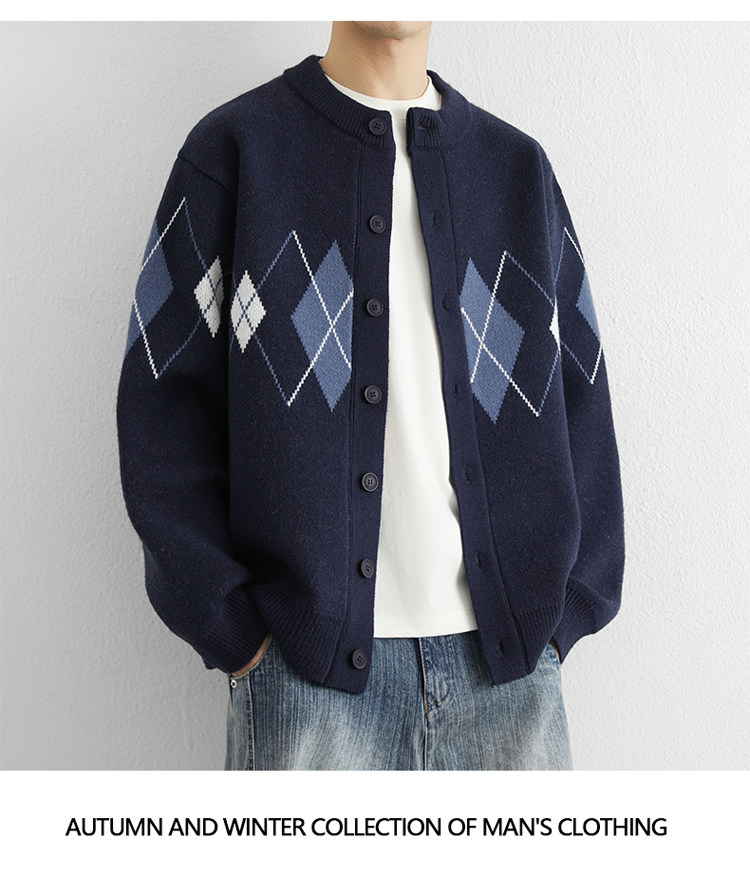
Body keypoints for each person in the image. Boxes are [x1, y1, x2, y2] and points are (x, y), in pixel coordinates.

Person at [116, 21, 625, 770]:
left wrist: (568, 609)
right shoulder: (237, 151)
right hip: (305, 682)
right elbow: (162, 405)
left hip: (511, 682)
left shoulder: (517, 170)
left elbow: (583, 397)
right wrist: (234, 629)